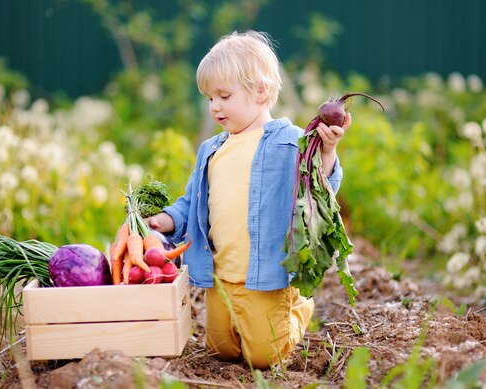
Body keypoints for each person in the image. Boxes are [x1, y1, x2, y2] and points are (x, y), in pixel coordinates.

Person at [145, 30, 351, 369]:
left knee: (265, 357)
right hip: (220, 275)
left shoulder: (291, 141)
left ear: (261, 91)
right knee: (220, 350)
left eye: (224, 96)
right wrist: (165, 220)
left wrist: (327, 151)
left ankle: (297, 308)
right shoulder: (211, 150)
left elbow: (319, 185)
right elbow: (192, 202)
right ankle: (259, 321)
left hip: (265, 276)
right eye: (209, 98)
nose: (214, 106)